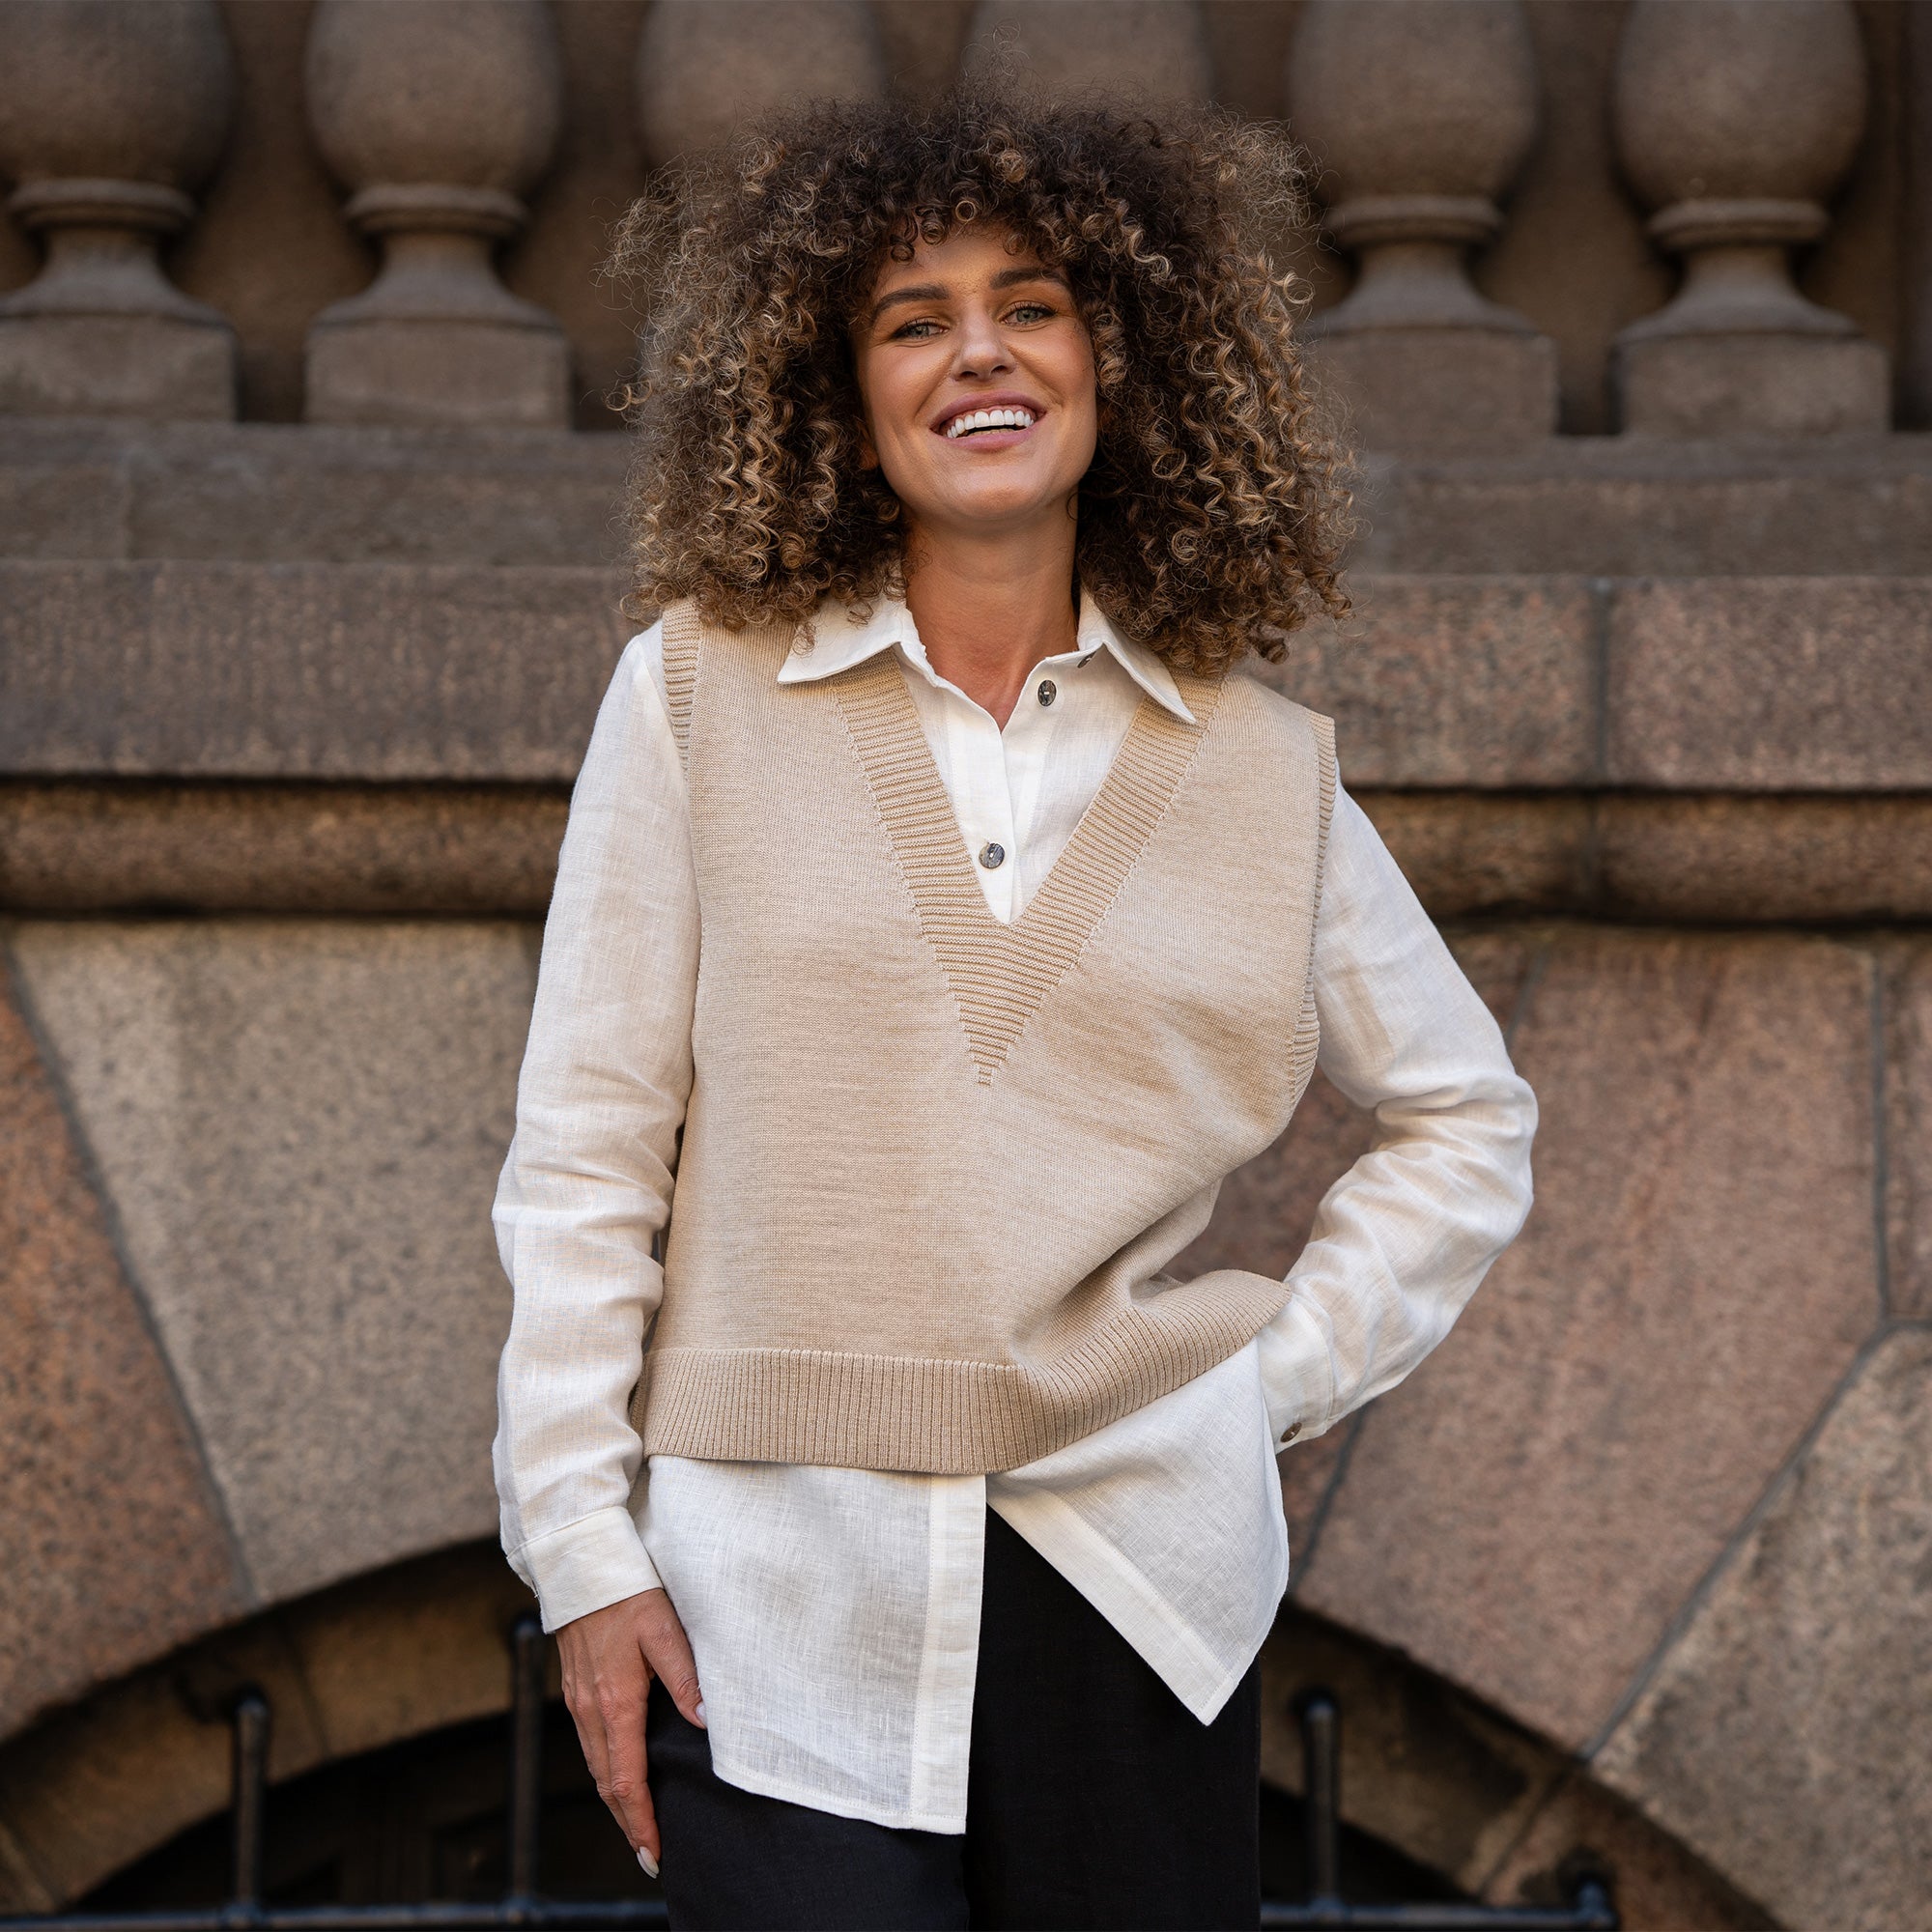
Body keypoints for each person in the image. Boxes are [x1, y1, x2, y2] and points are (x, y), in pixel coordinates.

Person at [492, 88, 1536, 1932]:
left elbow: (1468, 1119)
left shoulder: (1259, 768)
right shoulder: (695, 698)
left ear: (1117, 361)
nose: (979, 352)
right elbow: (586, 1151)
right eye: (915, 320)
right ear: (842, 394)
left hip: (1131, 1582)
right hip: (771, 1598)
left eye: (1031, 306)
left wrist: (1258, 1387)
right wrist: (582, 1547)